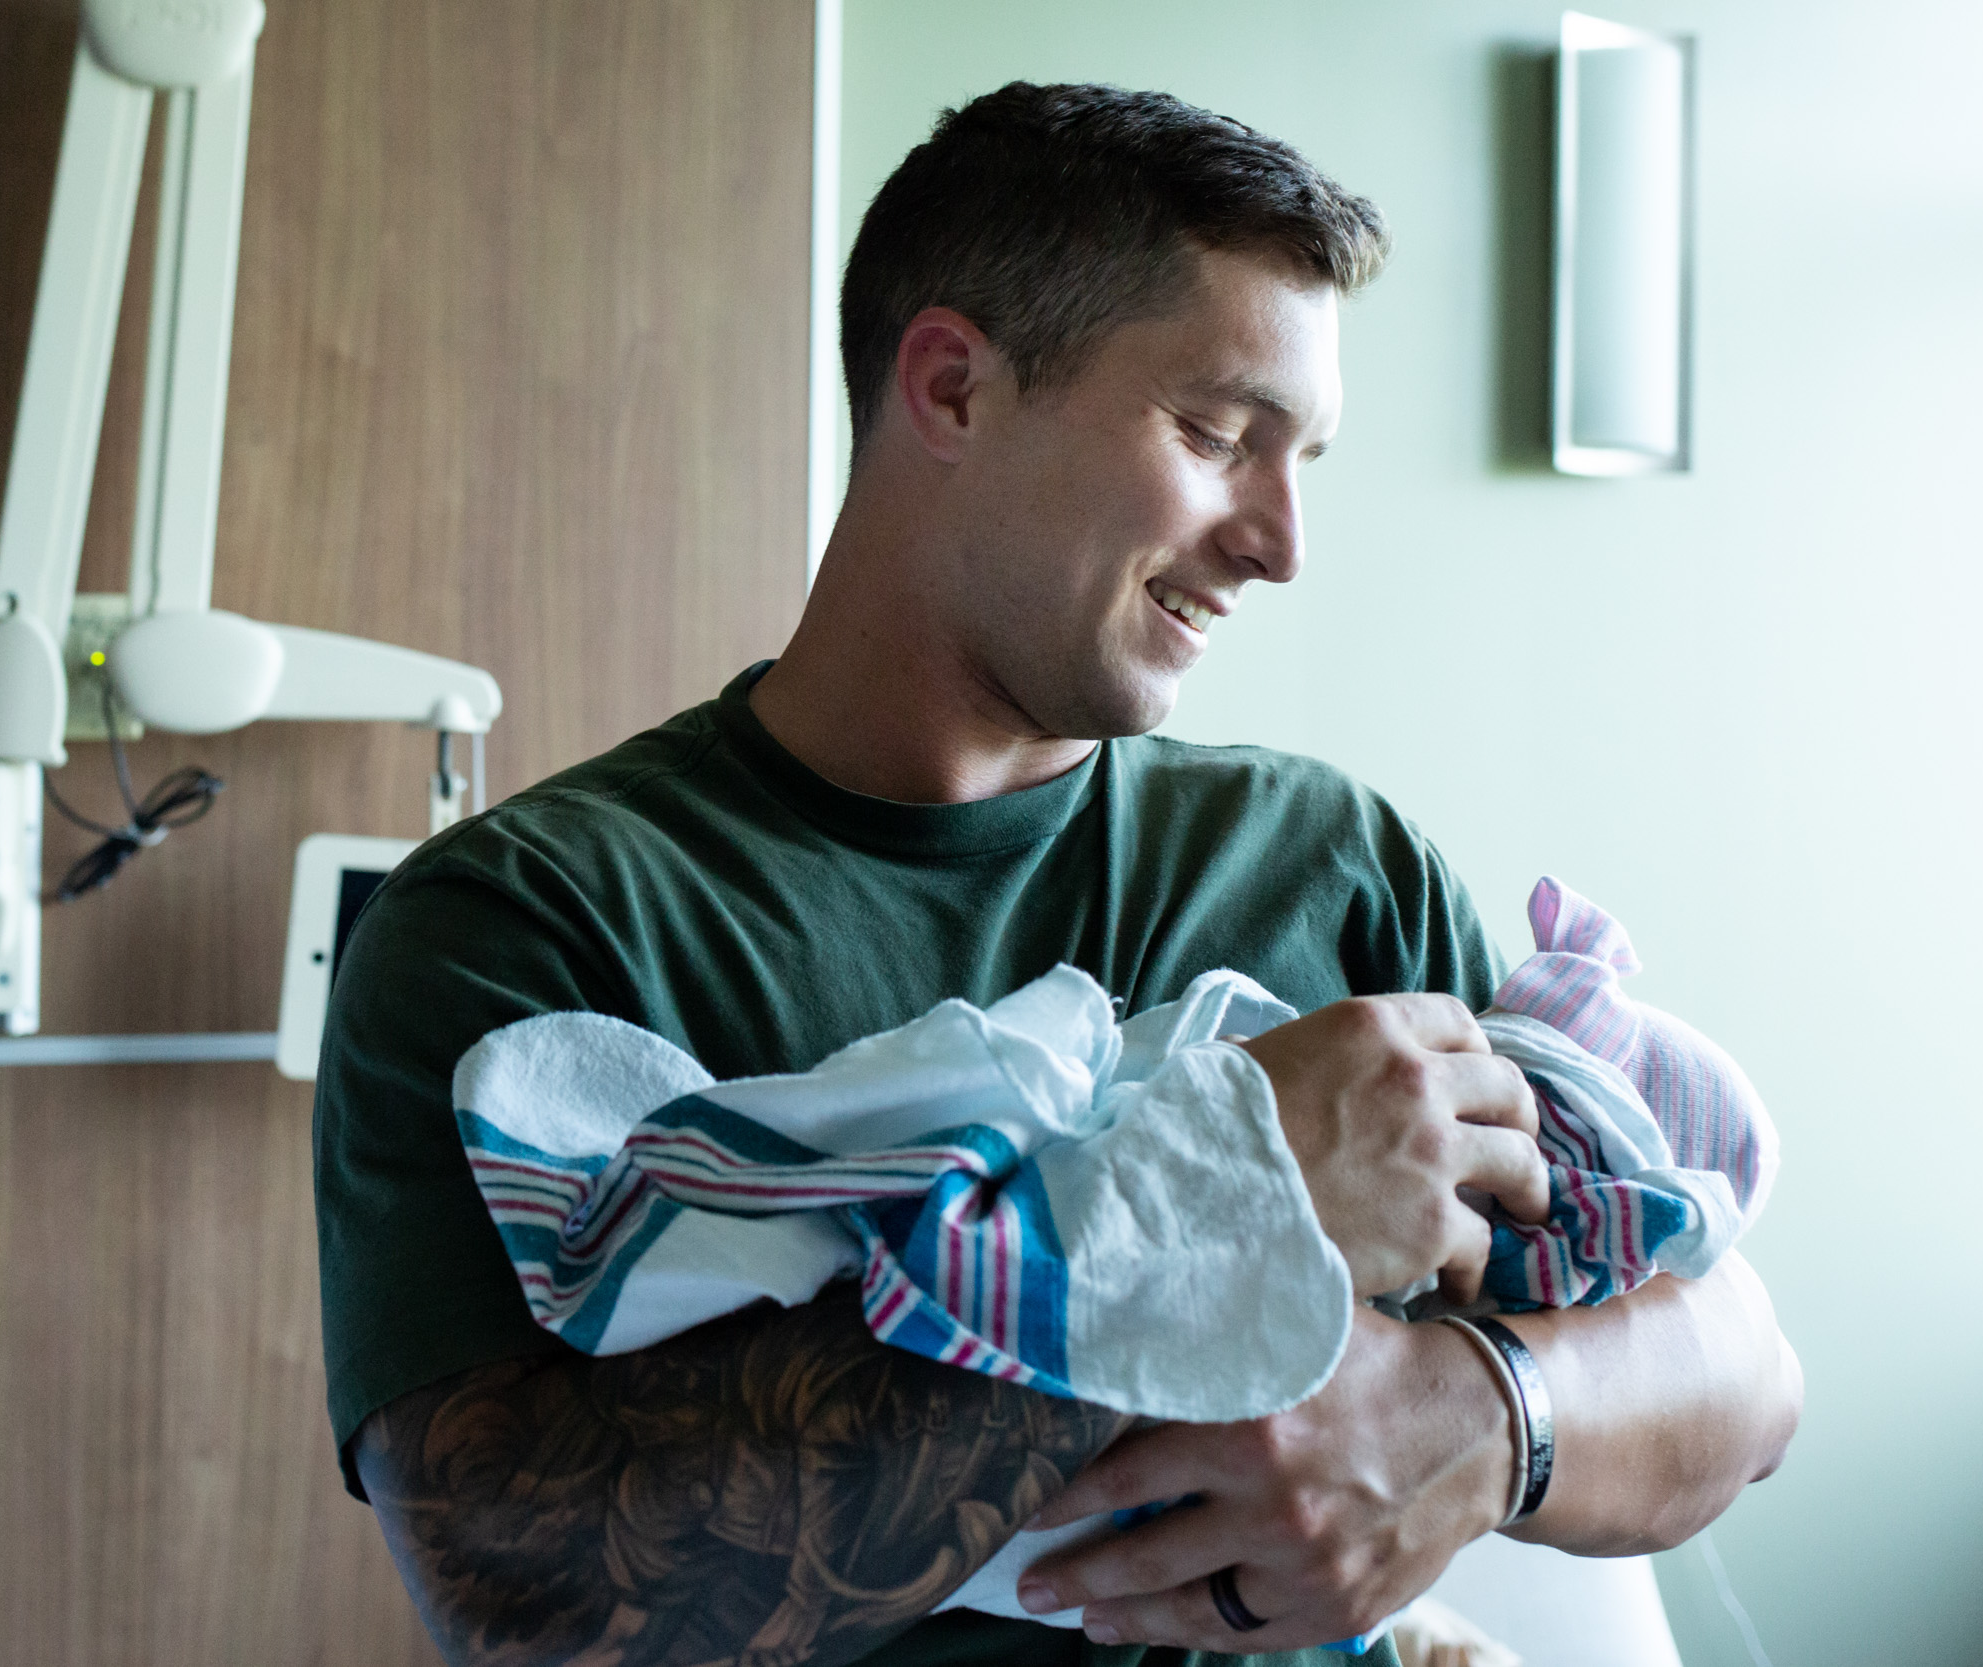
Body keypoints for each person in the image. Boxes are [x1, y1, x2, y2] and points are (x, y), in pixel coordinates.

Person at [316, 81, 1802, 1666]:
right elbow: (527, 1599)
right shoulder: (528, 932)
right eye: (1220, 435)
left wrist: (1493, 1416)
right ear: (952, 388)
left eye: (1305, 459)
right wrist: (1227, 1204)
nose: (1282, 543)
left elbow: (1744, 1375)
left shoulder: (1336, 869)